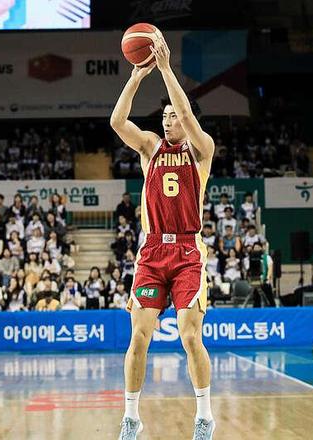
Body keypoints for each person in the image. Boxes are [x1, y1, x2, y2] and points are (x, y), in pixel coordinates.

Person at [110, 32, 215, 439]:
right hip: (153, 251)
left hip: (188, 251)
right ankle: (131, 417)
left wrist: (167, 69)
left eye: (173, 115)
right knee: (139, 336)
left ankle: (204, 415)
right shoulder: (151, 148)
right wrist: (136, 77)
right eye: (165, 116)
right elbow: (117, 122)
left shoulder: (201, 148)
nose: (168, 120)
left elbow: (187, 115)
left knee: (189, 335)